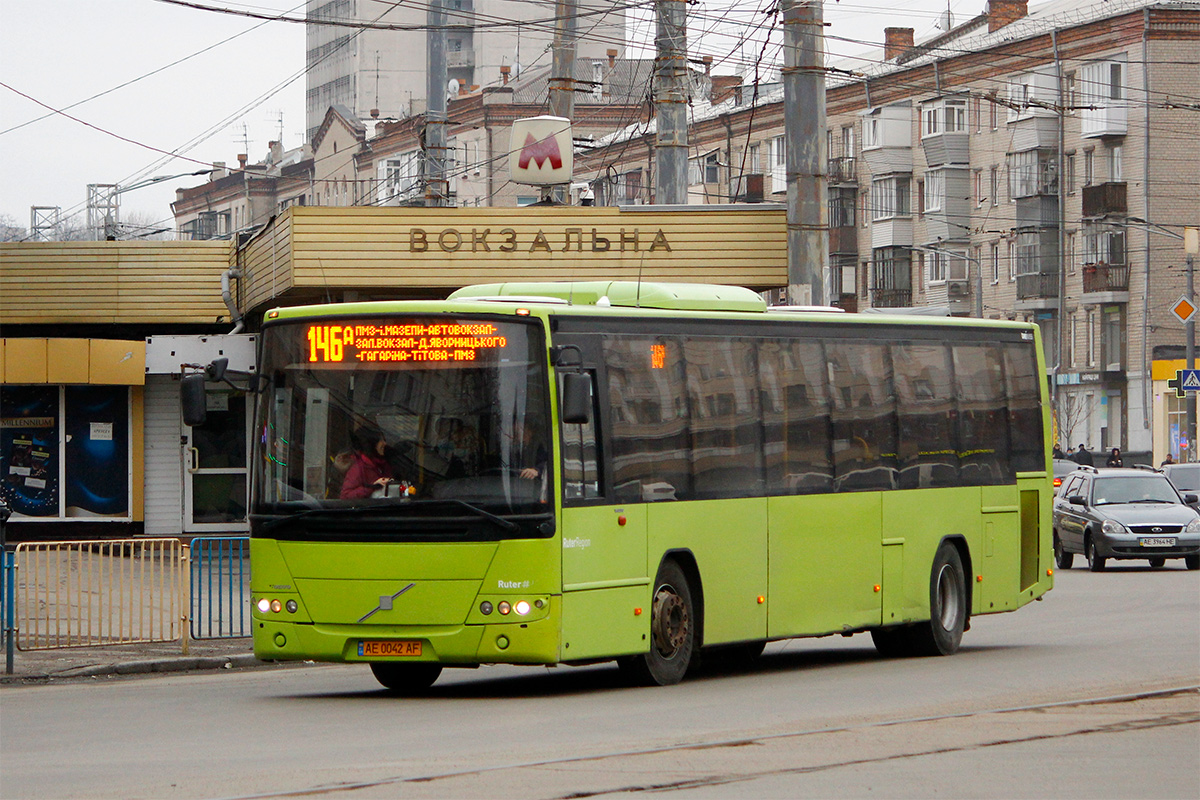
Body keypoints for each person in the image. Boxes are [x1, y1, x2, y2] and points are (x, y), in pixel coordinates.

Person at [339, 430, 395, 499]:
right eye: (381, 440)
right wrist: (371, 487)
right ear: (373, 444)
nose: (385, 443)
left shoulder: (384, 464)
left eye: (384, 440)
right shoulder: (359, 467)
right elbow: (345, 496)